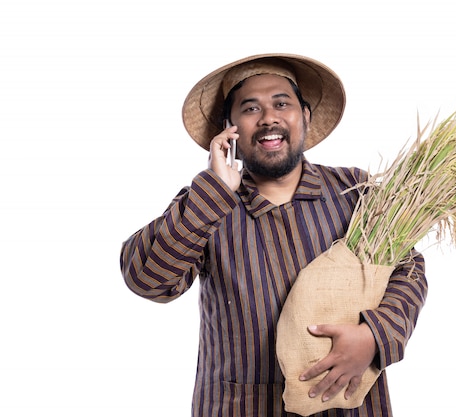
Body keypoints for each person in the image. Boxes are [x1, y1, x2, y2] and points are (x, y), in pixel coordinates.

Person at [120, 53, 428, 417]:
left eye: (282, 103)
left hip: (351, 406)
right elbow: (148, 280)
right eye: (250, 109)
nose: (269, 117)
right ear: (229, 130)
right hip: (242, 407)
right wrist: (216, 189)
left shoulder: (355, 190)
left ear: (305, 117)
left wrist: (374, 336)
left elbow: (408, 268)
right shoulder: (206, 204)